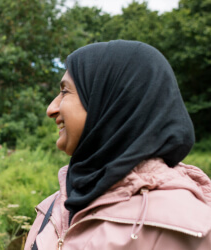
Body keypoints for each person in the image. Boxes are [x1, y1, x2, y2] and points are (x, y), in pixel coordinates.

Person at [24, 40, 211, 249]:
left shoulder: (182, 224)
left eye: (65, 92)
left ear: (112, 101)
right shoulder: (54, 207)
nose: (51, 108)